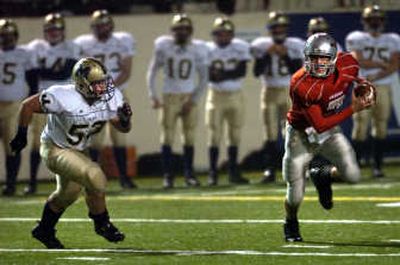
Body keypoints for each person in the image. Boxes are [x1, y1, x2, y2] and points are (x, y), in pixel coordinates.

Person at [9, 58, 130, 249]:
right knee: (94, 175)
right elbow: (28, 105)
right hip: (55, 148)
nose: (103, 88)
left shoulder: (112, 96)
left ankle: (44, 230)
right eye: (97, 84)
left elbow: (122, 127)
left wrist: (124, 121)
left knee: (68, 194)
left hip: (78, 150)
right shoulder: (62, 95)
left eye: (104, 82)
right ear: (82, 84)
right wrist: (21, 135)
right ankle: (102, 223)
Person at [283, 33, 375, 242]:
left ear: (333, 57)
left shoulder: (348, 63)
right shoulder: (301, 83)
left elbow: (353, 75)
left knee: (353, 175)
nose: (318, 63)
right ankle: (291, 222)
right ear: (306, 57)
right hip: (301, 134)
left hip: (330, 130)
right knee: (295, 193)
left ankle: (322, 174)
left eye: (323, 58)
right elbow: (319, 124)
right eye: (313, 58)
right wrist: (354, 108)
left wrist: (359, 86)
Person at [75, 9, 137, 188]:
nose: (102, 28)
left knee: (120, 136)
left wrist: (109, 89)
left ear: (111, 26)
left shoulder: (123, 40)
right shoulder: (83, 43)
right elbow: (80, 73)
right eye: (98, 25)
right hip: (94, 97)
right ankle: (92, 178)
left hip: (117, 94)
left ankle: (124, 178)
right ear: (93, 27)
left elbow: (126, 70)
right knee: (95, 138)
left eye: (105, 24)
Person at [147, 14, 208, 189]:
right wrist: (153, 95)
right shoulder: (163, 47)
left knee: (189, 137)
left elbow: (204, 77)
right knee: (167, 136)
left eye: (184, 29)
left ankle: (189, 174)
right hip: (169, 97)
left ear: (190, 31)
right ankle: (168, 176)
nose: (181, 32)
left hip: (188, 96)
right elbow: (151, 72)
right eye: (178, 29)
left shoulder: (198, 48)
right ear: (172, 31)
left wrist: (194, 99)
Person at [25, 13, 80, 194]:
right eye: (50, 29)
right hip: (44, 101)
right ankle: (32, 182)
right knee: (36, 142)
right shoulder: (35, 47)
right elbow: (31, 75)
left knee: (71, 142)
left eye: (56, 29)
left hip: (65, 102)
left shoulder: (72, 47)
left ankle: (74, 180)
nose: (53, 32)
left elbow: (63, 72)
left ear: (63, 31)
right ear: (44, 31)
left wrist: (42, 72)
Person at [346, 5, 400, 178]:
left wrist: (377, 75)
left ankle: (377, 167)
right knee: (360, 125)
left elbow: (394, 65)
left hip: (383, 85)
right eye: (372, 19)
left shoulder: (393, 39)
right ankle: (355, 165)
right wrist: (380, 64)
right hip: (362, 85)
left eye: (378, 19)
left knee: (381, 126)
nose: (375, 23)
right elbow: (358, 60)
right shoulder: (356, 37)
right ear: (365, 21)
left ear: (383, 21)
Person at [251, 11, 304, 183]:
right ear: (270, 29)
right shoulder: (262, 45)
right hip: (269, 91)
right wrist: (267, 54)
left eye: (281, 27)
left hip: (289, 91)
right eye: (275, 27)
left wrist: (284, 55)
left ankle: (295, 169)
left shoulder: (294, 45)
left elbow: (297, 69)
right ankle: (270, 170)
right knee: (270, 132)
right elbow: (256, 72)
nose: (278, 30)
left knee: (292, 132)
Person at [205, 17, 251, 186]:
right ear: (214, 35)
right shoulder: (206, 49)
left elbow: (241, 71)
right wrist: (218, 74)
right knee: (214, 134)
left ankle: (233, 171)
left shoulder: (240, 46)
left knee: (235, 134)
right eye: (220, 34)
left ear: (231, 35)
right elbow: (206, 74)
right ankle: (212, 173)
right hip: (215, 96)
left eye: (226, 34)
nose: (223, 37)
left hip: (235, 95)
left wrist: (221, 74)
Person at [0, 19, 38, 196]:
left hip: (14, 105)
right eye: (3, 36)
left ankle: (11, 184)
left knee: (12, 146)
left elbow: (33, 81)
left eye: (9, 36)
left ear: (15, 36)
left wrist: (30, 105)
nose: (6, 39)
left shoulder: (24, 53)